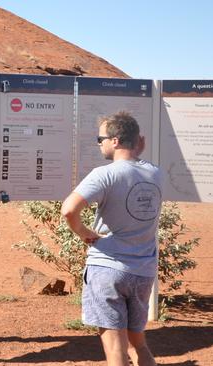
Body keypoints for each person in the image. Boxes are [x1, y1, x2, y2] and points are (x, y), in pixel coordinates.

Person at [61, 111, 164, 366]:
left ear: (116, 140)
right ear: (138, 140)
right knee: (138, 343)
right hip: (143, 269)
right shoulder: (156, 173)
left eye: (101, 139)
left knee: (115, 348)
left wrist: (85, 234)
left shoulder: (105, 174)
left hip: (108, 267)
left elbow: (68, 209)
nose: (100, 144)